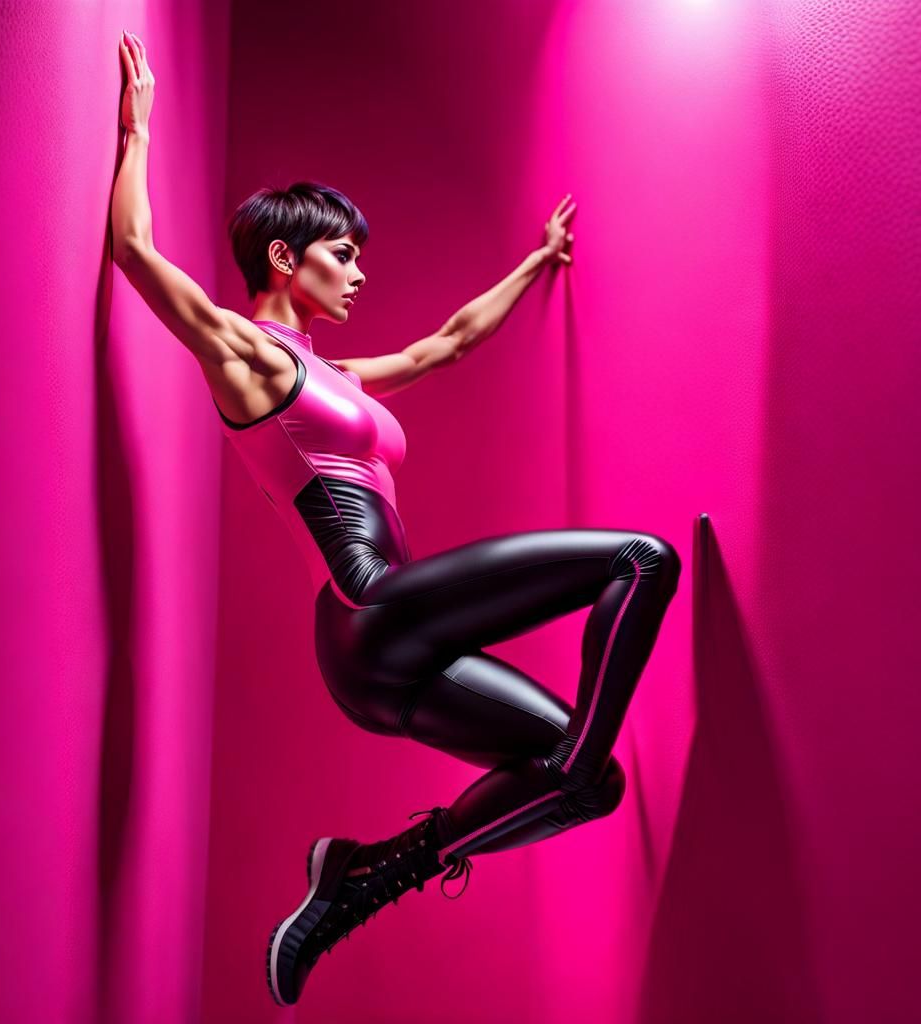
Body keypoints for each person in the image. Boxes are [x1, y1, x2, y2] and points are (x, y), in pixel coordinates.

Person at [112, 31, 681, 1007]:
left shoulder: (339, 375)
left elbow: (447, 343)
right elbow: (132, 250)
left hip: (385, 648)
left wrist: (537, 263)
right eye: (343, 255)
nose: (360, 274)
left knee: (589, 786)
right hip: (369, 610)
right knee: (641, 559)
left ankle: (361, 878)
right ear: (285, 259)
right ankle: (463, 820)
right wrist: (138, 126)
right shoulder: (246, 355)